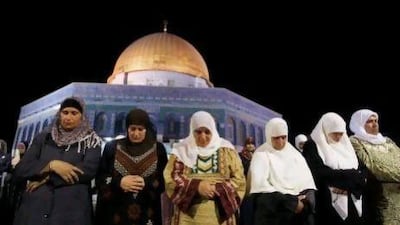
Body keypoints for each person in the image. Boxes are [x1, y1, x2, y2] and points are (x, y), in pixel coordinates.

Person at [12, 96, 103, 225]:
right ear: (59, 114)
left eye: (74, 113)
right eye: (65, 112)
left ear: (82, 116)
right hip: (35, 210)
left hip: (71, 211)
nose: (68, 117)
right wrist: (51, 165)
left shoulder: (91, 141)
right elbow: (21, 169)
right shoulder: (43, 138)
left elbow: (88, 171)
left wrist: (47, 177)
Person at [163, 110, 246, 225]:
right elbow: (171, 178)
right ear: (192, 131)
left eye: (207, 132)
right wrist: (197, 187)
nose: (203, 137)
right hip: (187, 219)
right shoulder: (182, 150)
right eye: (198, 132)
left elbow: (239, 180)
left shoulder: (227, 150)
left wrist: (217, 189)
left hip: (219, 218)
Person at [95, 108, 168, 225]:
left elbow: (165, 181)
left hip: (148, 215)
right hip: (117, 215)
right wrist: (119, 182)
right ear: (127, 128)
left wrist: (147, 183)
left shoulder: (158, 149)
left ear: (146, 129)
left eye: (140, 129)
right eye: (132, 129)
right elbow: (100, 178)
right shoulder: (112, 148)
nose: (136, 133)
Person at [302, 112, 367, 225]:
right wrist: (351, 175)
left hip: (354, 202)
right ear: (325, 130)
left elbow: (362, 171)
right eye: (334, 133)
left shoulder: (347, 147)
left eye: (341, 133)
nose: (338, 137)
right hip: (328, 203)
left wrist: (348, 182)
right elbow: (318, 173)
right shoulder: (312, 146)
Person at [248, 117, 316, 225]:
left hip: (297, 216)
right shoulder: (261, 155)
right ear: (269, 136)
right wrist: (291, 202)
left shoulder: (295, 155)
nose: (280, 142)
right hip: (272, 217)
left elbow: (307, 185)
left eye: (283, 137)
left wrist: (305, 202)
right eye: (276, 138)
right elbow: (260, 190)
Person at [349, 109, 400, 225]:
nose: (375, 124)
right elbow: (372, 166)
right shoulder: (355, 141)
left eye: (376, 120)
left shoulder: (387, 141)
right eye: (369, 121)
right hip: (381, 193)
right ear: (360, 123)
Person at [238, 137, 256, 225]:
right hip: (245, 187)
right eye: (248, 144)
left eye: (252, 143)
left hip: (255, 187)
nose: (250, 146)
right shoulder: (240, 156)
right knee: (245, 210)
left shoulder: (257, 155)